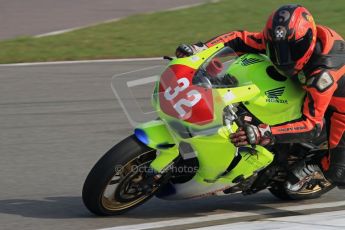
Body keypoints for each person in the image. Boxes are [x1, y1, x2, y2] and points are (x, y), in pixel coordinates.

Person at [175, 4, 345, 191]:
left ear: (309, 42)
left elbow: (312, 125)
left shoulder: (323, 74)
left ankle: (315, 166)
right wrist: (200, 49)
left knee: (338, 173)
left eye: (291, 51)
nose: (283, 57)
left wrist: (264, 133)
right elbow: (239, 39)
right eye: (277, 49)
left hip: (338, 110)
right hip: (304, 86)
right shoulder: (285, 39)